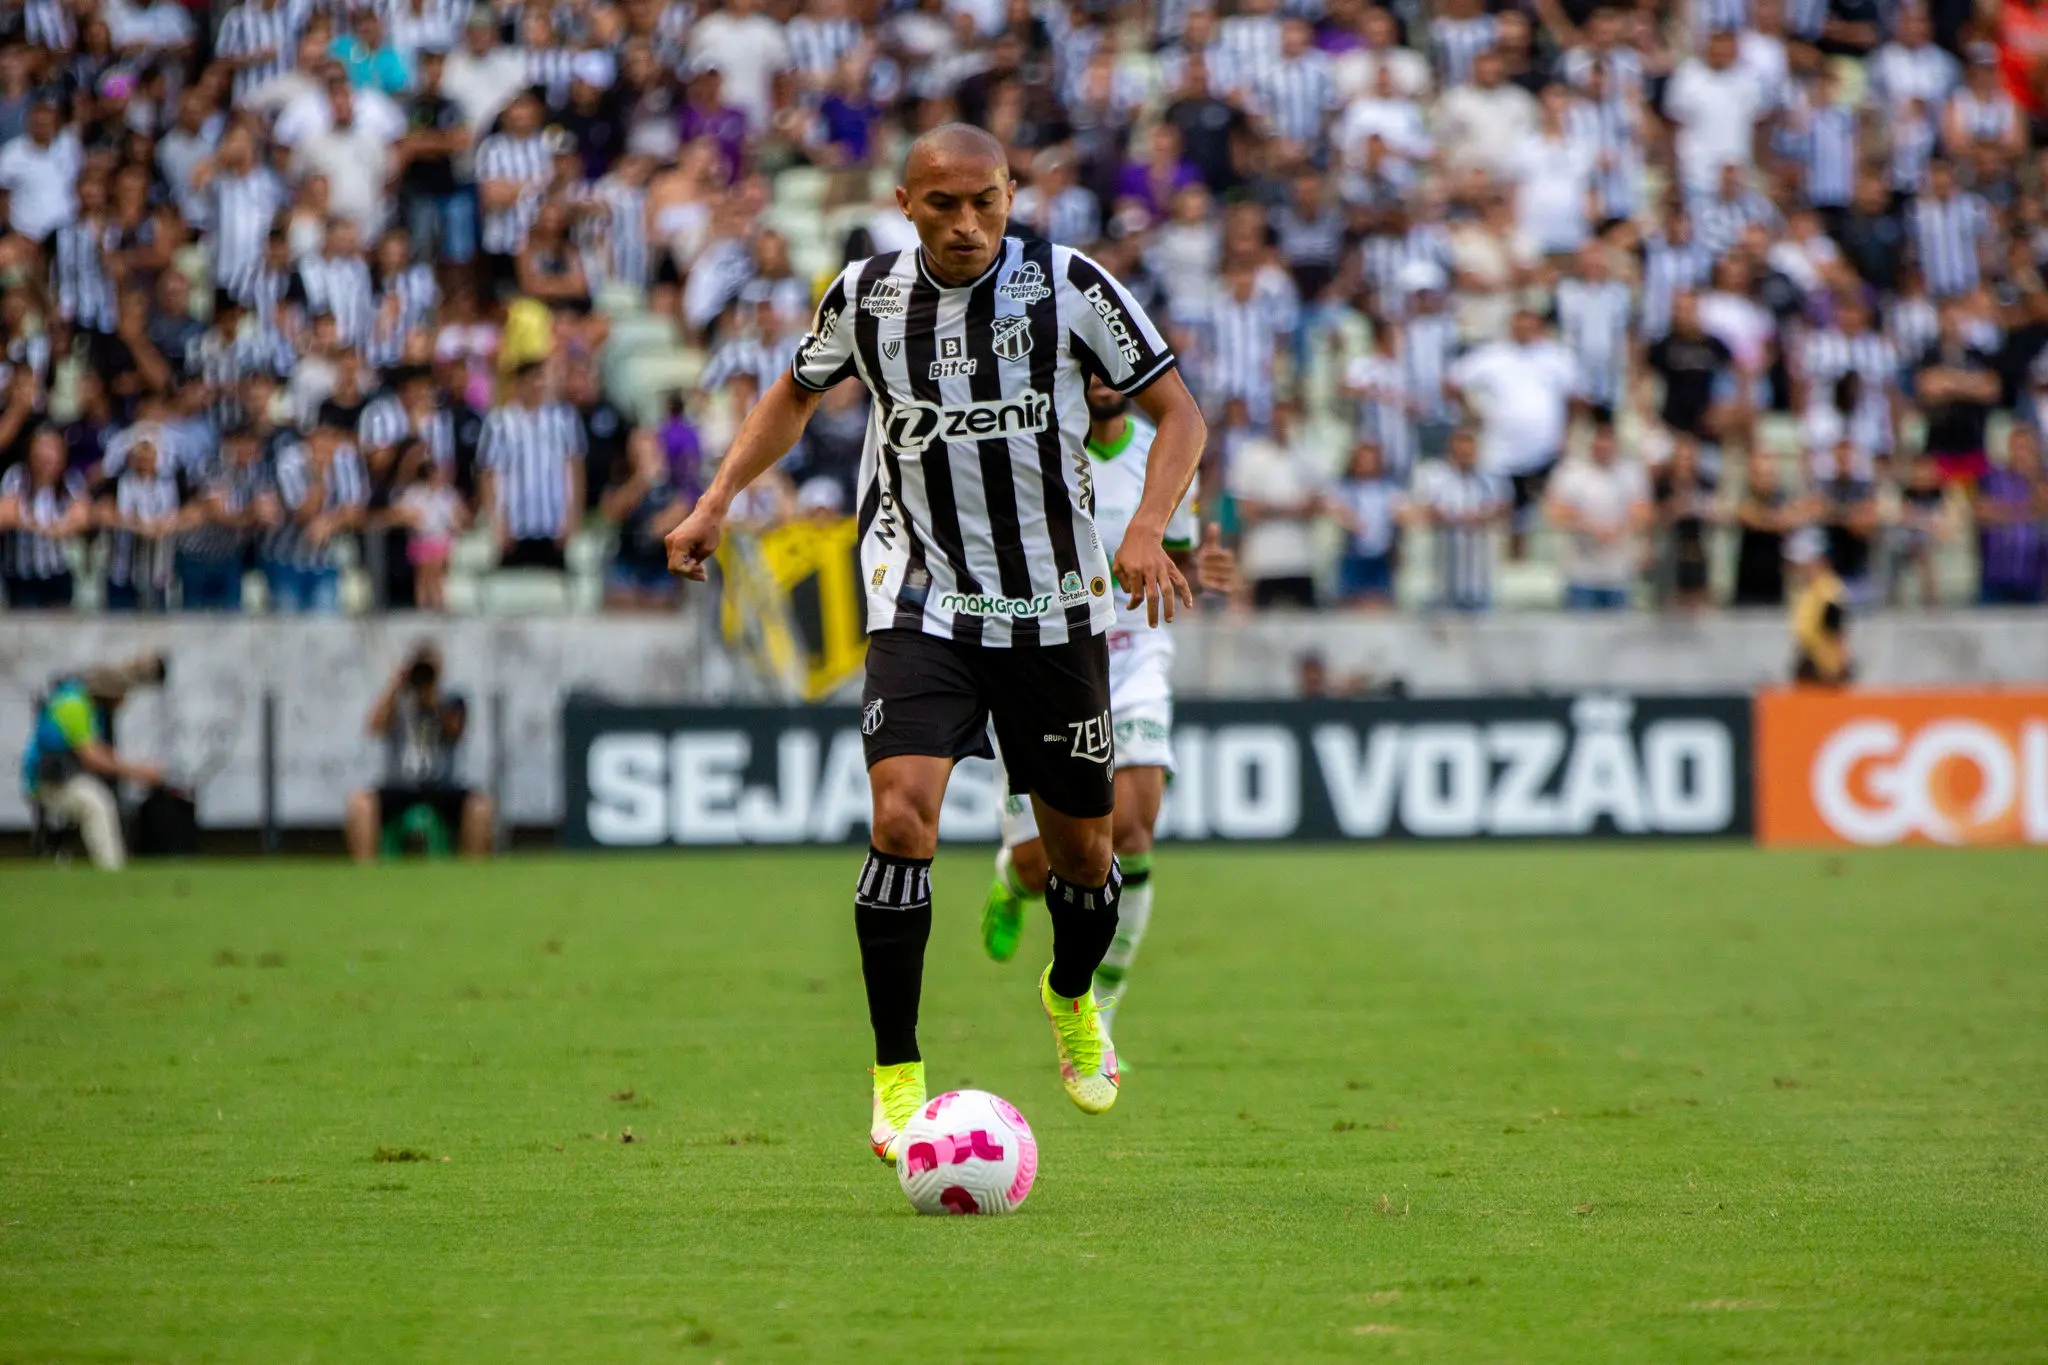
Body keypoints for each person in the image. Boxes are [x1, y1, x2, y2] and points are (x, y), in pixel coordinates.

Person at [663, 124, 1204, 1162]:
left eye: (985, 203)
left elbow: (1178, 413)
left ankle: (1069, 993)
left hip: (1054, 609)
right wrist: (716, 497)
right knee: (901, 817)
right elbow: (791, 389)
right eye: (943, 205)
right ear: (904, 202)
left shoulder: (1072, 285)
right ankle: (895, 1078)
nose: (967, 225)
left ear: (1011, 195)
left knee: (1083, 860)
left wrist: (1143, 527)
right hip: (921, 602)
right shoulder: (865, 295)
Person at [974, 373, 1236, 1060]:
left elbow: (1173, 556)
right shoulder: (1029, 449)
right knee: (1042, 865)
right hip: (1045, 666)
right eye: (1082, 365)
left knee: (1132, 826)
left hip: (1131, 660)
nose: (1098, 379)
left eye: (1108, 365)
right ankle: (1010, 877)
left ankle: (1102, 1002)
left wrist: (1198, 568)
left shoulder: (1165, 454)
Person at [344, 645, 494, 861]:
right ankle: (366, 872)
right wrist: (395, 685)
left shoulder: (451, 699)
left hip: (442, 785)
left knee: (480, 807)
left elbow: (456, 732)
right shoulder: (397, 700)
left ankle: (472, 871)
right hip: (399, 785)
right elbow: (374, 727)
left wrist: (434, 700)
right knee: (359, 804)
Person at [20, 655, 167, 870]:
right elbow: (91, 757)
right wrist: (139, 772)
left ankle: (109, 866)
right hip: (48, 781)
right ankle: (111, 871)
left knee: (98, 799)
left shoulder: (83, 703)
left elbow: (97, 749)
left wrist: (135, 769)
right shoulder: (74, 705)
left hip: (62, 776)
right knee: (95, 803)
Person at [1544, 420, 1652, 610]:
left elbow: (1643, 512)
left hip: (1618, 574)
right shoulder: (1571, 472)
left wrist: (1618, 529)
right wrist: (1591, 528)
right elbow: (1555, 512)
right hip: (1581, 574)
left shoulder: (1630, 473)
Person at [1785, 526, 1851, 685]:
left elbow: (1836, 633)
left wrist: (1836, 670)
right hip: (1813, 664)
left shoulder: (1828, 591)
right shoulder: (1810, 589)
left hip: (1824, 671)